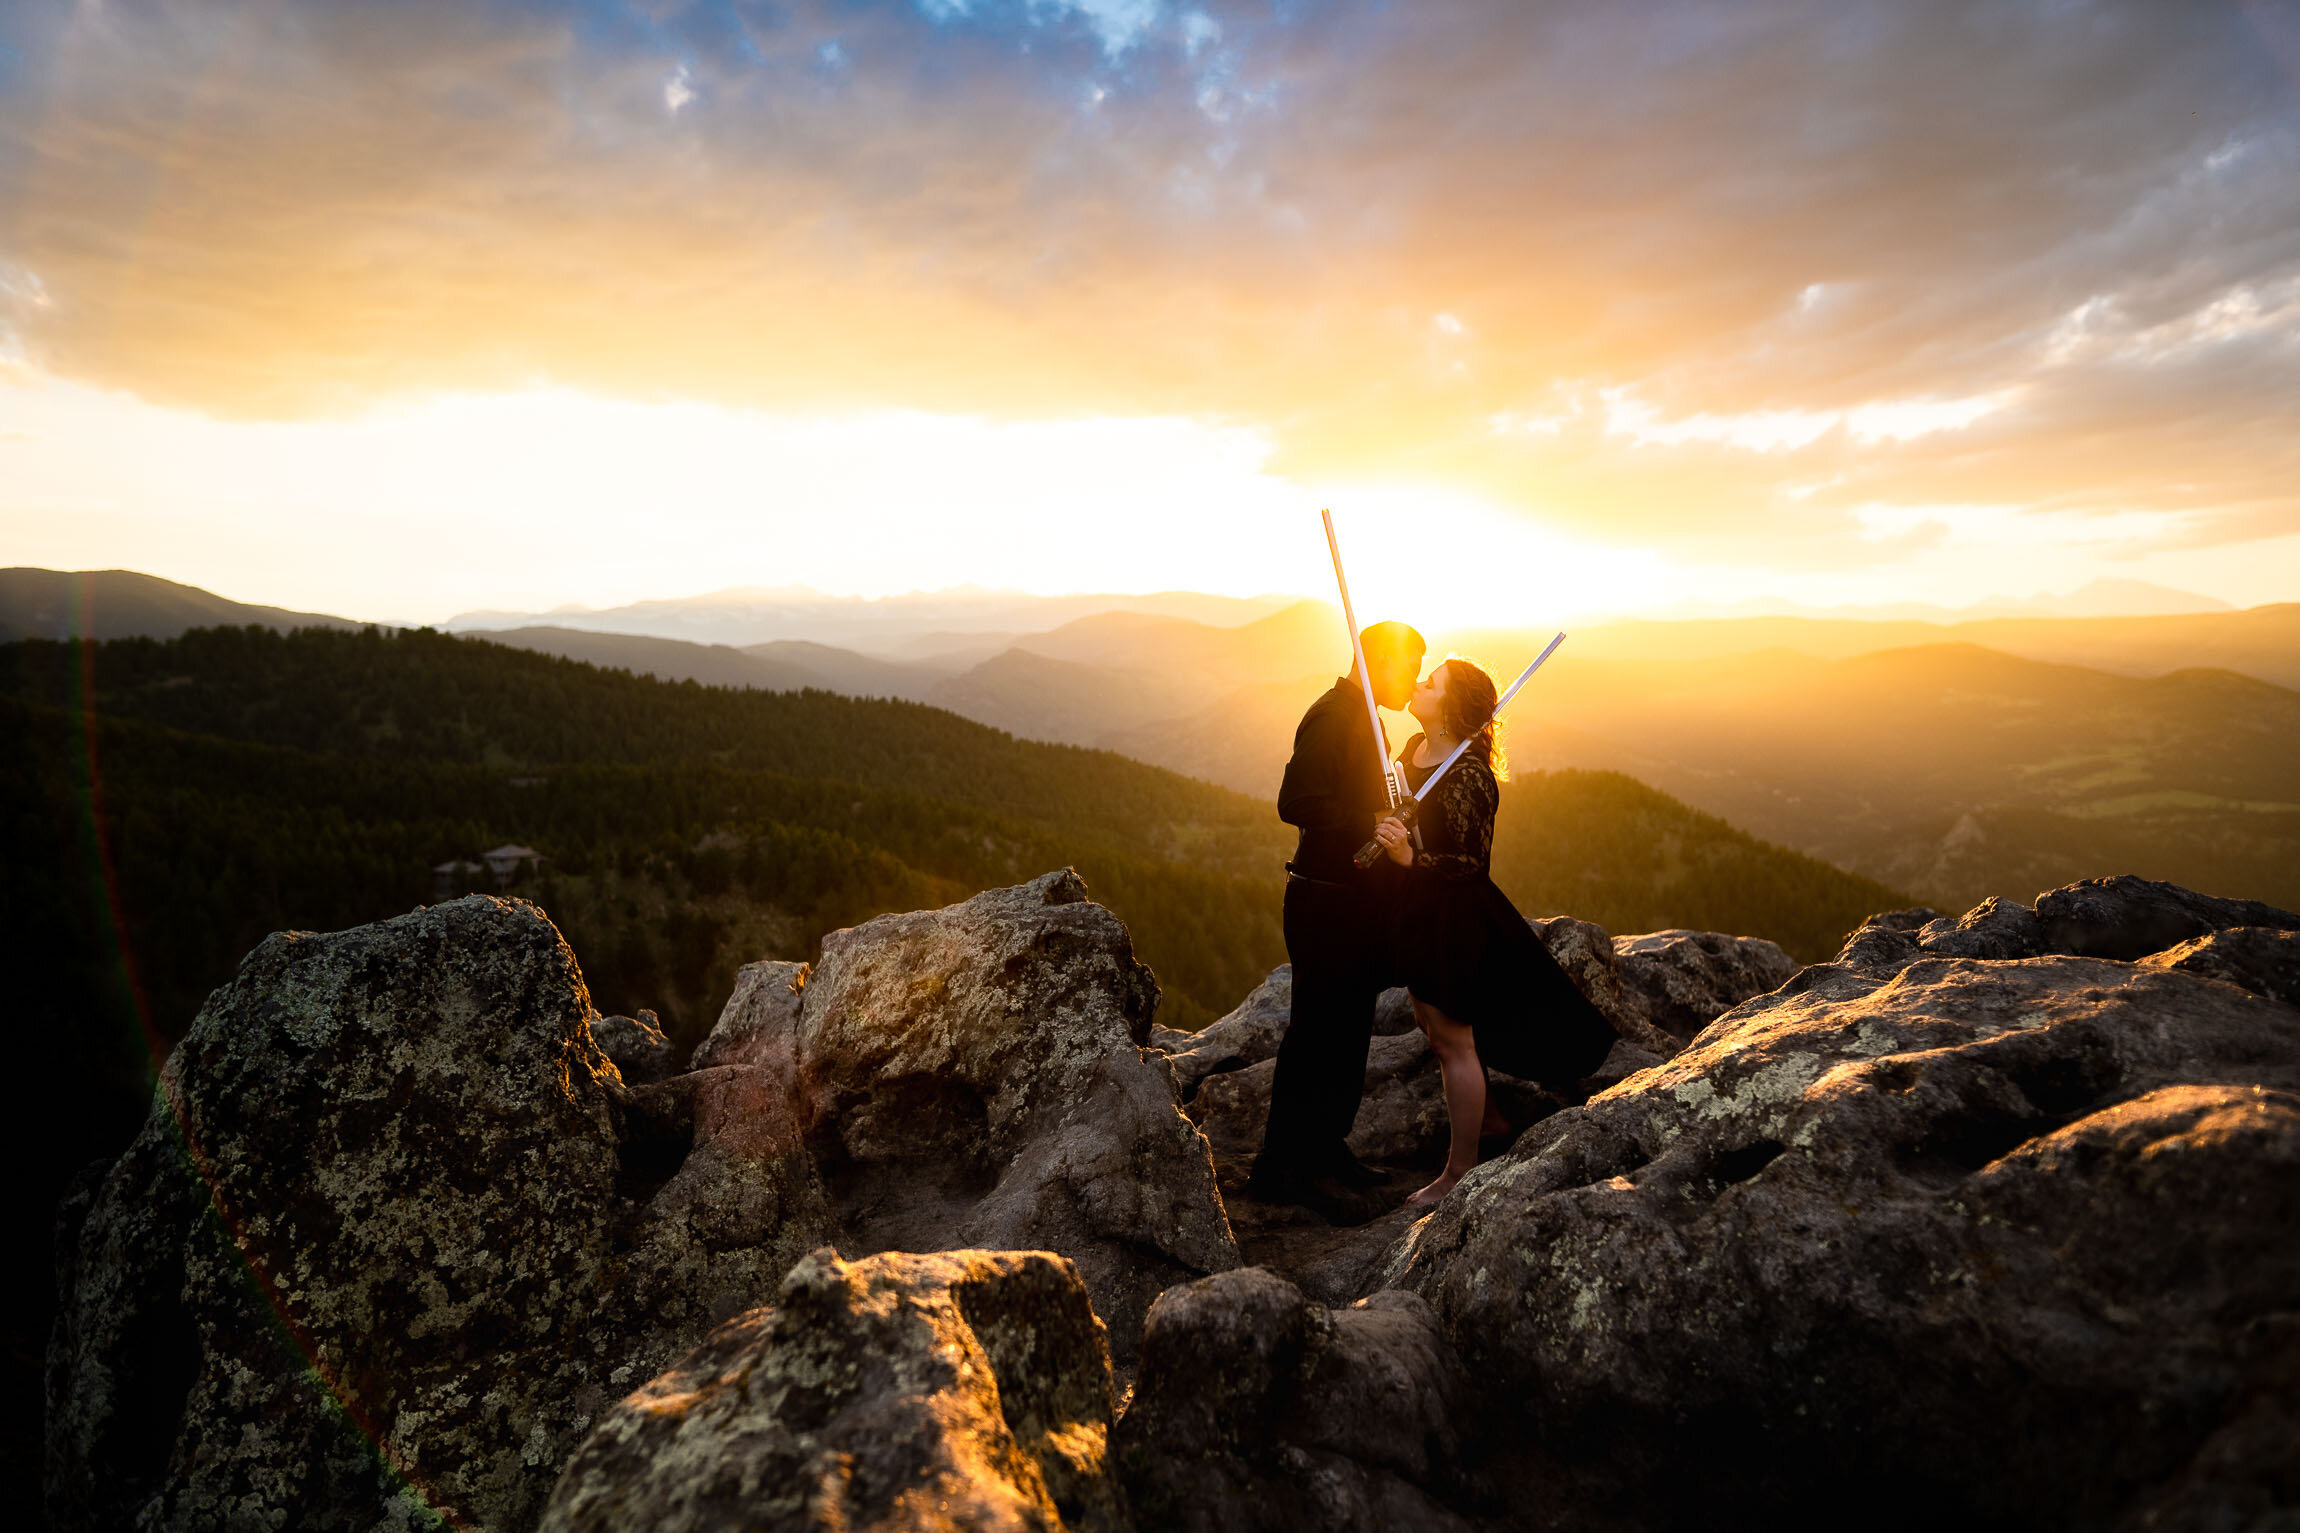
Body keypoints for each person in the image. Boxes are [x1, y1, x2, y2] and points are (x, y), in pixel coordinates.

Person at [1372, 657, 1616, 1208]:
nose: (1417, 684)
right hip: (1414, 910)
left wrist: (1411, 858)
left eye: (1430, 683)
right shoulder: (1413, 750)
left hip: (1452, 917)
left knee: (1453, 1037)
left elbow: (1469, 863)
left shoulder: (1469, 776)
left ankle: (1459, 1174)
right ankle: (1490, 1120)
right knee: (1431, 1027)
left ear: (1452, 705)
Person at [1249, 620, 1426, 1219]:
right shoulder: (1333, 714)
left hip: (1348, 902)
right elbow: (1295, 801)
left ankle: (1325, 1150)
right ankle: (1283, 1167)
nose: (1415, 678)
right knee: (1317, 1033)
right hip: (1323, 901)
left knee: (1347, 1031)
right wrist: (1369, 817)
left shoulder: (1366, 719)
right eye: (1408, 665)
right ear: (1375, 661)